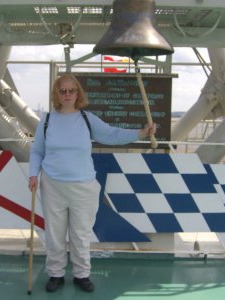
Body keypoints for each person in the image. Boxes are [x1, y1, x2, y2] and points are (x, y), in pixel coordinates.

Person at [28, 74, 156, 293]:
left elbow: (112, 135)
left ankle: (81, 274)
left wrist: (141, 132)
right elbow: (37, 150)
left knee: (80, 233)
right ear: (56, 94)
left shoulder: (87, 119)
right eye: (63, 91)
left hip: (83, 187)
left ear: (78, 93)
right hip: (53, 185)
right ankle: (56, 274)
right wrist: (33, 174)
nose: (67, 95)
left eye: (72, 90)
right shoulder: (47, 121)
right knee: (55, 233)